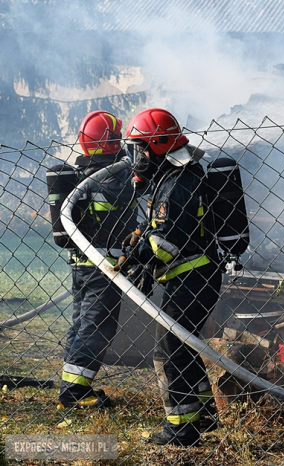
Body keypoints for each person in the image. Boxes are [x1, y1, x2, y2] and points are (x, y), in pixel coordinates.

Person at [119, 108, 222, 446]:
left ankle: (180, 428)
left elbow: (164, 244)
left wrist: (136, 257)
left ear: (160, 145)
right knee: (185, 345)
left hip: (193, 277)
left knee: (168, 351)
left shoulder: (178, 182)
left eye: (141, 148)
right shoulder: (170, 177)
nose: (137, 157)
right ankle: (204, 413)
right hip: (190, 277)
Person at [58, 110, 136, 409]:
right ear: (113, 141)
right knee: (96, 325)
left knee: (81, 322)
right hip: (104, 265)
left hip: (81, 263)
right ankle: (74, 391)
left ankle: (72, 383)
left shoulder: (82, 176)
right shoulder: (115, 177)